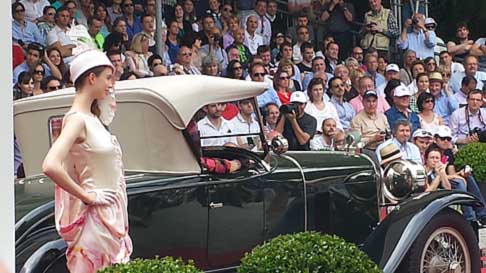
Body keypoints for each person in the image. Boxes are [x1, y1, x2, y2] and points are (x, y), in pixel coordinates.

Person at [41, 50, 132, 273]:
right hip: (95, 222)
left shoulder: (91, 118)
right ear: (92, 78)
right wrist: (88, 196)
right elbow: (50, 165)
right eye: (108, 78)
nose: (111, 84)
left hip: (109, 217)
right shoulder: (76, 119)